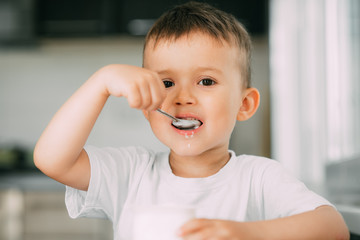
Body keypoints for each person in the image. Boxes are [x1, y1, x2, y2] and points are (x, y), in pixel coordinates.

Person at [34, 2, 349, 240]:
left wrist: (245, 233)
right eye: (167, 83)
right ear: (147, 107)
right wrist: (100, 83)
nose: (182, 97)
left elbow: (333, 227)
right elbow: (52, 161)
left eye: (206, 81)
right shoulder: (130, 174)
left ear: (245, 104)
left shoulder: (258, 178)